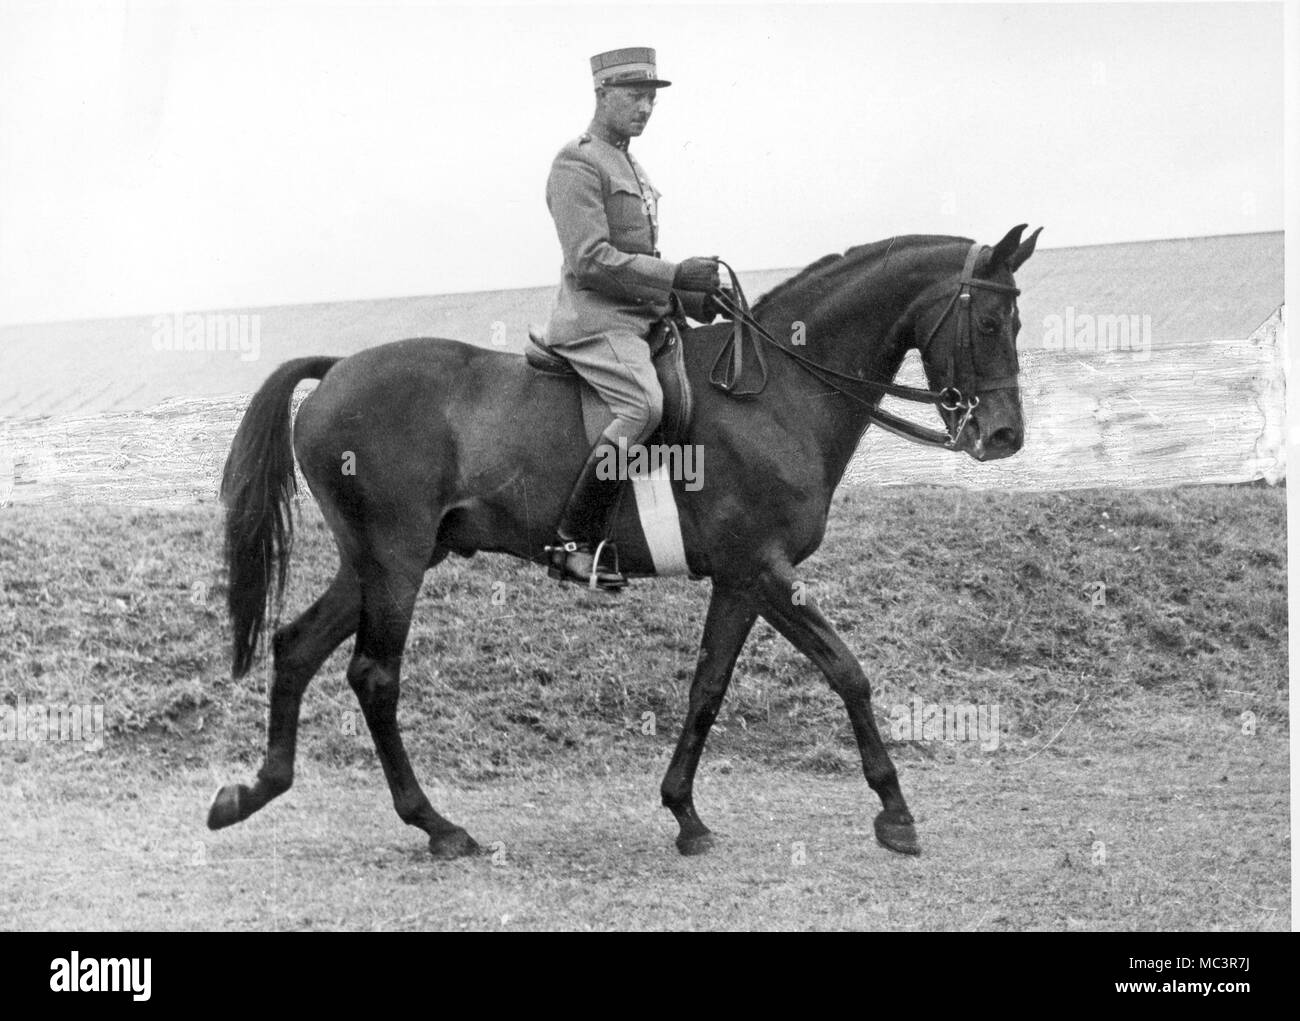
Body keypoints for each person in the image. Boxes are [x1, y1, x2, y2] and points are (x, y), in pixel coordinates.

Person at [543, 46, 722, 589]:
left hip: (639, 317)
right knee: (644, 404)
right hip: (596, 322)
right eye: (634, 96)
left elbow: (634, 260)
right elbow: (590, 259)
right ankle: (571, 541)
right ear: (603, 94)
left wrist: (685, 297)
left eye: (651, 99)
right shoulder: (578, 161)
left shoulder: (628, 161)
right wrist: (673, 275)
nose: (645, 108)